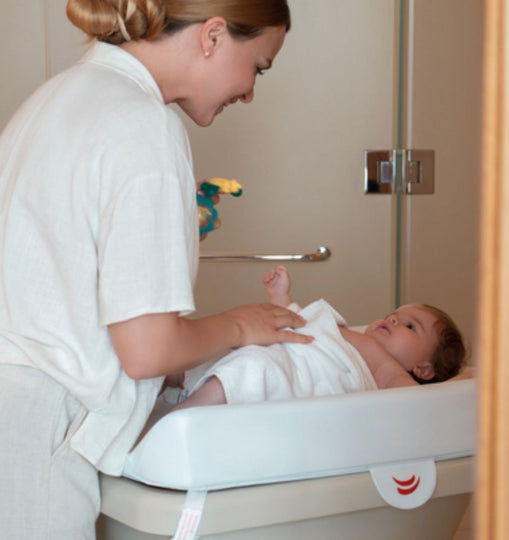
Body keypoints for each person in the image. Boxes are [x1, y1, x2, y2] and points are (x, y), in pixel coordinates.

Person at [0, 2, 309, 538]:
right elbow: (148, 351)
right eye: (258, 66)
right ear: (213, 36)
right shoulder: (144, 125)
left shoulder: (56, 97)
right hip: (34, 438)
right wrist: (241, 326)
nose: (250, 92)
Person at [172, 266, 468, 410]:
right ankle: (168, 382)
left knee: (249, 370)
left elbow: (413, 400)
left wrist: (459, 384)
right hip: (282, 352)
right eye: (394, 313)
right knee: (207, 356)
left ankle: (173, 422)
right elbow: (298, 326)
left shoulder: (386, 369)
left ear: (423, 368)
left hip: (289, 372)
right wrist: (281, 298)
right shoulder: (349, 333)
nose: (392, 319)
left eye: (410, 326)